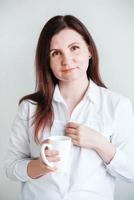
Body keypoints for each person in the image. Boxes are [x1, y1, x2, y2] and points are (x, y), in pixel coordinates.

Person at [5, 15, 134, 200]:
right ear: (47, 61)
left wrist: (99, 142)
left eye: (74, 48)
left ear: (89, 51)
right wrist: (40, 166)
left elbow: (131, 172)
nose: (67, 60)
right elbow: (11, 167)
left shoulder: (117, 105)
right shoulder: (29, 108)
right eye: (56, 53)